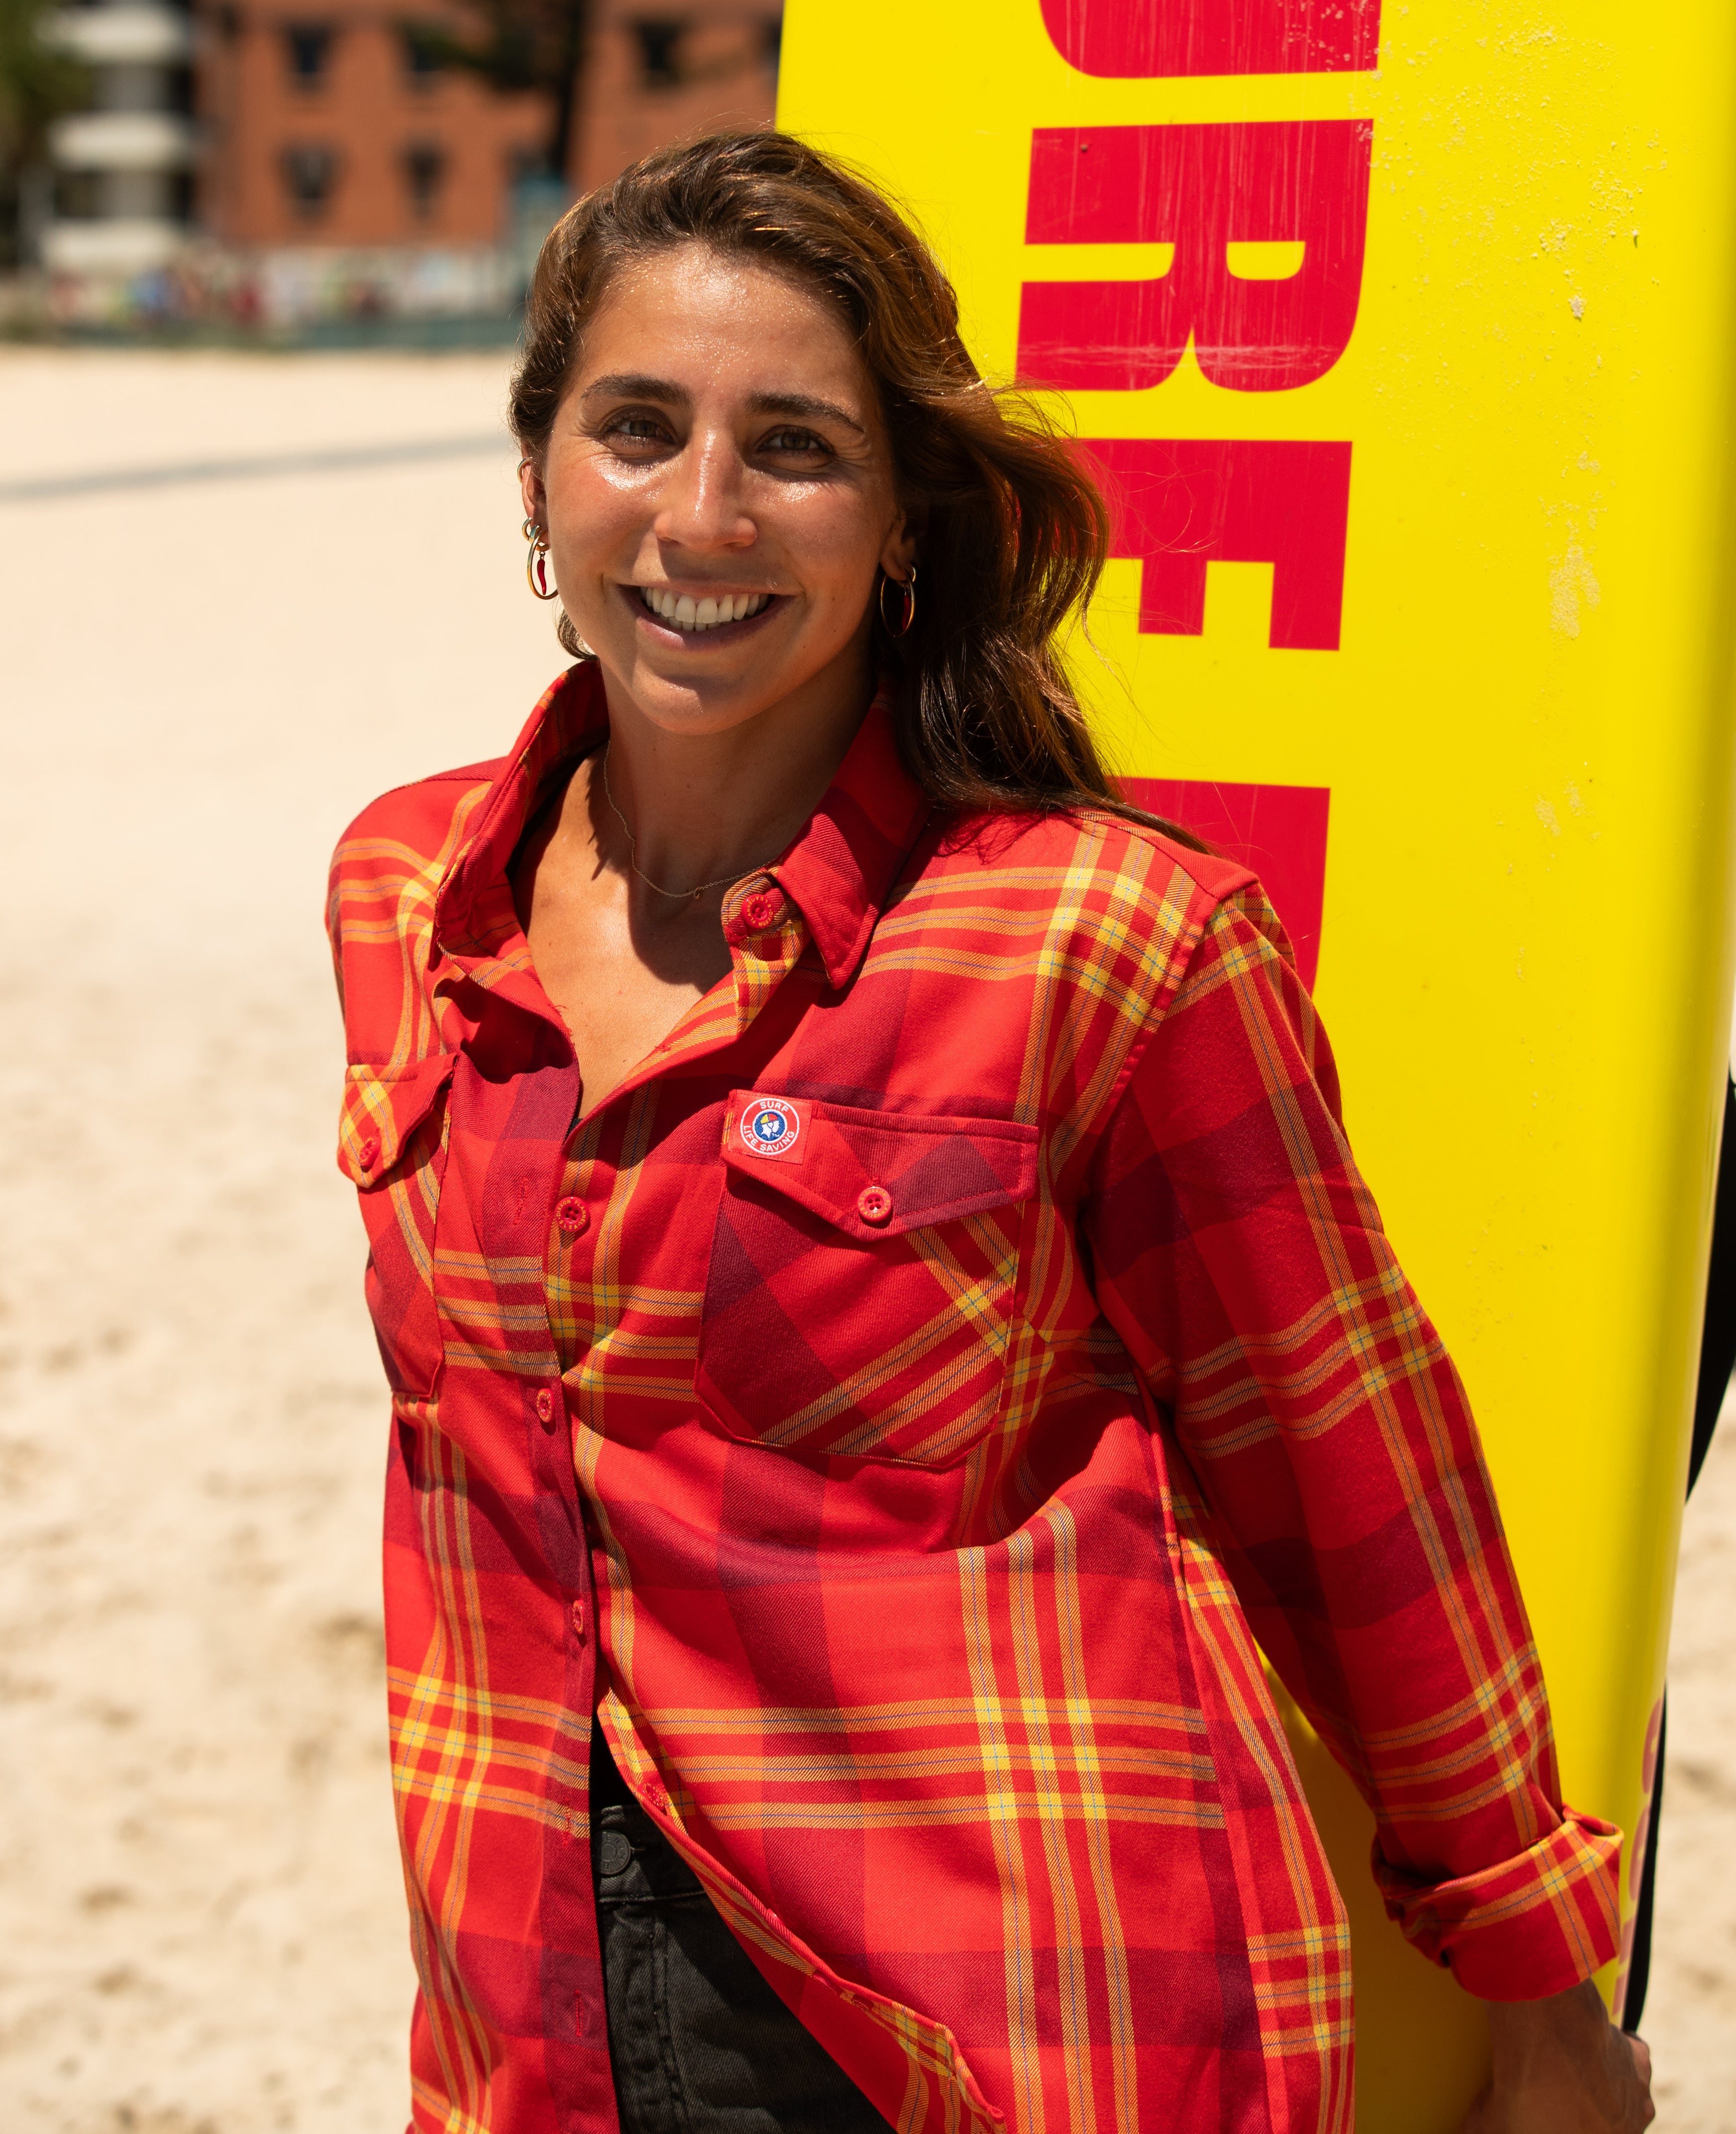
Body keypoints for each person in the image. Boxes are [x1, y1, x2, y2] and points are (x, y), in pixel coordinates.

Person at [328, 130, 1653, 2134]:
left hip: (1004, 2021)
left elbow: (1353, 1488)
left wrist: (1539, 1996)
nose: (701, 514)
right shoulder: (410, 891)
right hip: (533, 2012)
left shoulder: (1108, 940)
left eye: (794, 447)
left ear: (902, 525)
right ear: (538, 479)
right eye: (637, 427)